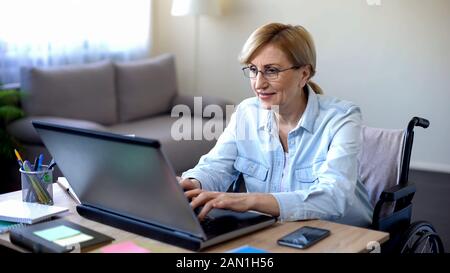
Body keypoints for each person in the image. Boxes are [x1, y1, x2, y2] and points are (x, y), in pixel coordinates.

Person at [178, 22, 373, 227]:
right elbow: (216, 166)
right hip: (276, 232)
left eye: (271, 71)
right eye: (253, 69)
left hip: (342, 235)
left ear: (304, 74)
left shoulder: (342, 118)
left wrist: (248, 200)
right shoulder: (247, 112)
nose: (258, 84)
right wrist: (192, 184)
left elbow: (334, 197)